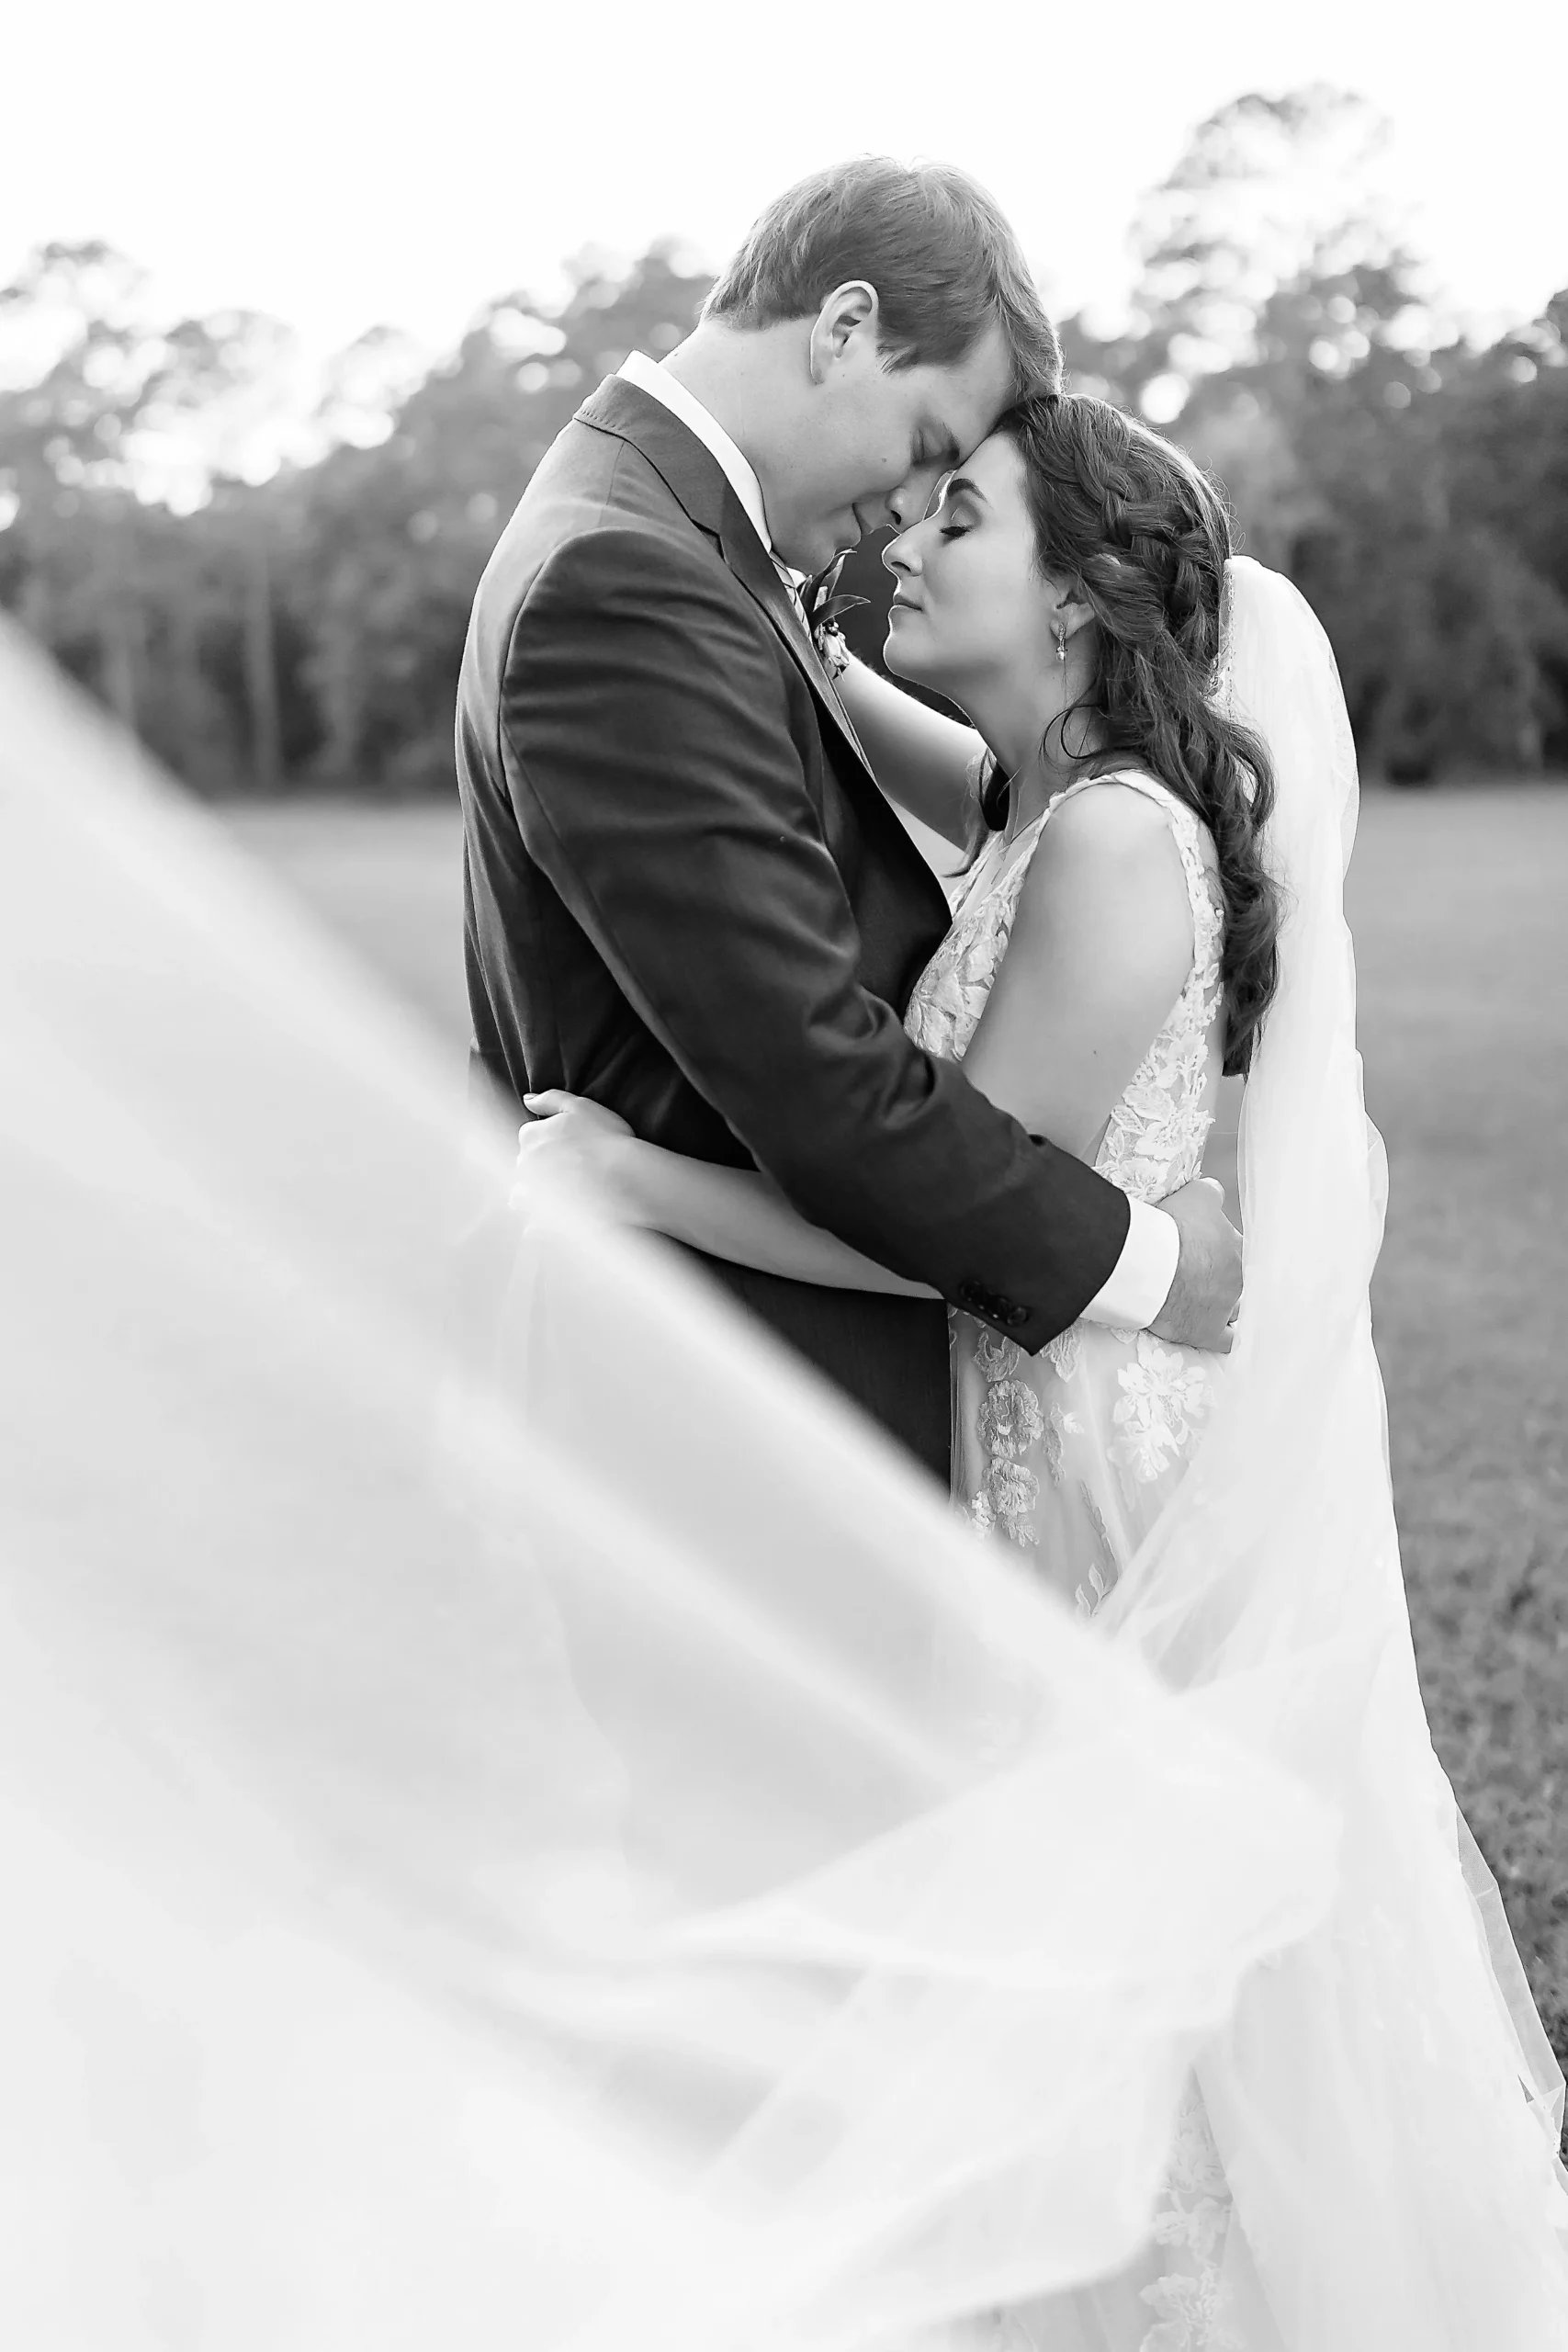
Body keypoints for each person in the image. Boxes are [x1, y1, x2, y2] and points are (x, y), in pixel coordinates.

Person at [519, 396, 1568, 2345]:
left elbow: (945, 1205)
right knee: (1080, 1968)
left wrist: (629, 1176)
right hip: (1050, 1410)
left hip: (1105, 1465)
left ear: (1080, 604)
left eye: (955, 516)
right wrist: (788, 617)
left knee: (1134, 2004)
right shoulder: (1033, 798)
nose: (900, 543)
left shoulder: (1105, 844)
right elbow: (869, 716)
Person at [456, 156, 1240, 1482]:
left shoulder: (683, 547)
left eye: (954, 502)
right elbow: (826, 1093)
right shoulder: (628, 578)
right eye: (928, 454)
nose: (898, 524)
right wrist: (1149, 1259)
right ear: (844, 328)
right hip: (717, 1422)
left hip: (790, 1417)